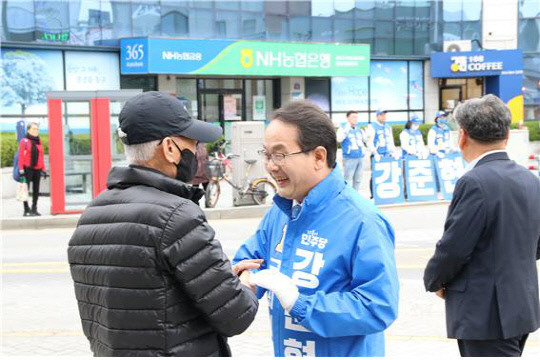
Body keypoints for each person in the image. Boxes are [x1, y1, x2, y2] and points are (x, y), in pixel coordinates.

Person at [67, 91, 259, 357]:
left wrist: (223, 277)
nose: (197, 152)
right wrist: (246, 284)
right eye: (193, 144)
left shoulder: (92, 214)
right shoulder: (178, 215)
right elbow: (236, 315)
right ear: (170, 148)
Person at [233, 100, 399, 357]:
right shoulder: (279, 212)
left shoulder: (363, 221)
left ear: (319, 156)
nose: (270, 165)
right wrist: (244, 279)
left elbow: (377, 307)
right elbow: (248, 260)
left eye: (280, 154)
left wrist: (299, 302)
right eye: (266, 154)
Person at [423, 94, 540, 357]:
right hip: (521, 305)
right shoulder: (530, 179)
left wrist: (435, 280)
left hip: (484, 313)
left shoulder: (474, 181)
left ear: (462, 135)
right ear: (507, 135)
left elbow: (454, 247)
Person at [18, 122, 46, 216]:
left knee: (36, 190)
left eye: (37, 129)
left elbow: (41, 155)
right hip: (27, 169)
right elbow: (21, 156)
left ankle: (34, 208)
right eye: (33, 129)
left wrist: (43, 169)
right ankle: (26, 209)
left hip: (37, 169)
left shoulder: (39, 141)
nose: (36, 131)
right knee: (25, 189)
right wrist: (21, 170)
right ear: (28, 130)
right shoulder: (24, 141)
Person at [336, 110, 367, 191]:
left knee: (358, 180)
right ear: (348, 118)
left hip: (360, 157)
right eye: (353, 117)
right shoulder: (343, 129)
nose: (355, 119)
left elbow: (365, 140)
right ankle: (347, 198)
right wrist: (346, 131)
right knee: (348, 179)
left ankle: (355, 198)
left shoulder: (359, 129)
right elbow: (338, 139)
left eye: (356, 117)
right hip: (349, 158)